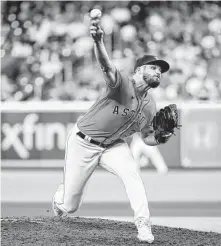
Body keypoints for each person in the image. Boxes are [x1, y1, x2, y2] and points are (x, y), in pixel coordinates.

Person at [52, 15, 172, 244]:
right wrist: (98, 42)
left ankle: (143, 224)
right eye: (154, 67)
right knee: (70, 206)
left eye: (161, 70)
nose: (158, 72)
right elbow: (106, 67)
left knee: (132, 174)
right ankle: (61, 197)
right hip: (83, 142)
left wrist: (160, 137)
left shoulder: (151, 104)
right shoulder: (122, 85)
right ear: (138, 71)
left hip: (113, 146)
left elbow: (146, 137)